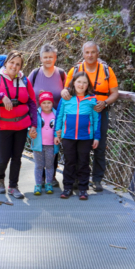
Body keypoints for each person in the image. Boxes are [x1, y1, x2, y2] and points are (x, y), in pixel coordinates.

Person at [0, 51, 38, 199]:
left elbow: (32, 102)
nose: (14, 66)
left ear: (21, 67)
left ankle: (13, 186)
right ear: (6, 63)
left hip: (22, 126)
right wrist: (0, 96)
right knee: (4, 157)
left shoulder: (24, 80)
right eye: (12, 62)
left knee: (17, 157)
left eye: (18, 64)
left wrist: (34, 125)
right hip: (3, 126)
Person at [61, 41, 119, 192]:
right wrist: (64, 93)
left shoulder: (107, 71)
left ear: (98, 54)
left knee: (99, 146)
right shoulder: (75, 70)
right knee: (75, 146)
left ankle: (97, 179)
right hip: (78, 113)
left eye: (93, 52)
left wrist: (105, 103)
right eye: (87, 52)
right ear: (83, 54)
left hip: (100, 111)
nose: (90, 55)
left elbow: (115, 93)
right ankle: (75, 179)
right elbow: (66, 90)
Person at [54, 72, 100, 200]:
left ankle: (83, 189)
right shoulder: (66, 99)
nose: (81, 85)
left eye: (85, 82)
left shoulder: (92, 100)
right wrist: (56, 133)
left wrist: (96, 137)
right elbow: (59, 116)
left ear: (88, 85)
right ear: (73, 82)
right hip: (68, 136)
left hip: (86, 137)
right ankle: (67, 187)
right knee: (69, 162)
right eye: (79, 81)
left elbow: (96, 119)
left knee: (84, 162)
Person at [28, 44, 66, 186]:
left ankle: (51, 176)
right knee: (40, 146)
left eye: (51, 57)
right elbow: (26, 93)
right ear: (41, 58)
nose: (48, 59)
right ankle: (41, 178)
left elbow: (69, 91)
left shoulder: (61, 74)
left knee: (53, 146)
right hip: (38, 118)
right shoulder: (35, 73)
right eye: (45, 57)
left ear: (55, 58)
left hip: (56, 118)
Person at [30, 91, 59, 195]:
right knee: (39, 165)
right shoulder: (36, 114)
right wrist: (31, 134)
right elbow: (31, 129)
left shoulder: (56, 114)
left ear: (52, 103)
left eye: (49, 102)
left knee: (50, 165)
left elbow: (59, 127)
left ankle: (49, 184)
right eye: (44, 103)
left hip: (52, 145)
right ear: (40, 103)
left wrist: (58, 136)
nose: (46, 105)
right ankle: (38, 185)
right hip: (39, 145)